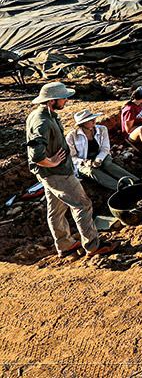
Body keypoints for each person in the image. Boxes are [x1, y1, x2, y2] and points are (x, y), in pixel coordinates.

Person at [25, 82, 116, 258]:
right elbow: (35, 154)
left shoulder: (43, 115)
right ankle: (93, 245)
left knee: (56, 211)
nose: (66, 100)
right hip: (58, 174)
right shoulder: (42, 121)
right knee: (83, 204)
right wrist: (51, 163)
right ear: (51, 101)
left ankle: (65, 245)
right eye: (63, 98)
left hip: (51, 175)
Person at [66, 109, 141, 190]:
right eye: (89, 120)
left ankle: (135, 181)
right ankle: (120, 187)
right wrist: (85, 162)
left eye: (93, 118)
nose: (93, 121)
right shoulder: (72, 137)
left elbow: (105, 148)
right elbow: (72, 157)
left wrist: (99, 159)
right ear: (82, 124)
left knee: (108, 165)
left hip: (101, 155)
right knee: (92, 171)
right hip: (83, 161)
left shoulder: (102, 129)